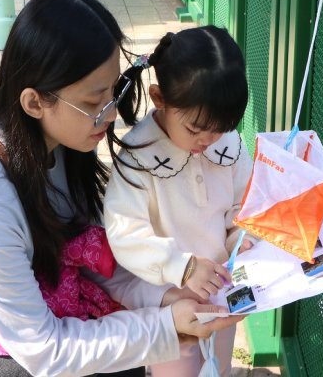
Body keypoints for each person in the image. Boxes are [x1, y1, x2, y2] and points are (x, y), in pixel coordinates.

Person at [0, 0, 242, 377]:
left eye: (114, 92)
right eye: (93, 102)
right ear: (34, 102)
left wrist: (164, 300)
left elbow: (90, 254)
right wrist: (165, 327)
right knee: (110, 352)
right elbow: (47, 352)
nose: (111, 114)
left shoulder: (59, 143)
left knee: (123, 342)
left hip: (0, 321)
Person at [104, 26, 256, 377]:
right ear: (159, 99)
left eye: (220, 129)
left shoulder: (226, 142)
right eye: (195, 129)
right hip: (170, 303)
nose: (208, 140)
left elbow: (241, 206)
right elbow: (125, 233)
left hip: (221, 292)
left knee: (219, 365)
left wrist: (241, 240)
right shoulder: (138, 157)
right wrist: (182, 267)